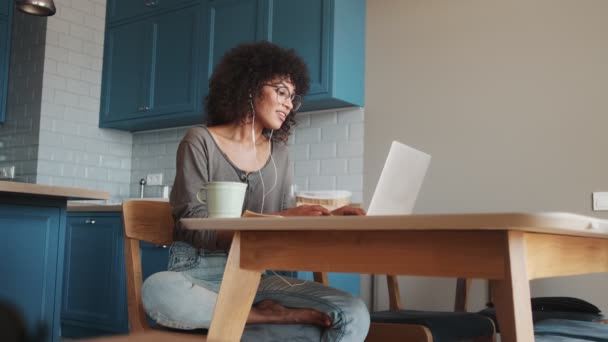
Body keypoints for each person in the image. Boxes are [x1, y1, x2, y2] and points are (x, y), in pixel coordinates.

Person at [141, 41, 370, 341]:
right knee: (158, 290)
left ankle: (245, 317)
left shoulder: (280, 153)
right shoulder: (199, 141)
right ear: (250, 86)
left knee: (354, 312)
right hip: (197, 272)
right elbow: (193, 225)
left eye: (293, 97)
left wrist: (327, 217)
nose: (289, 104)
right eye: (281, 91)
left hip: (256, 276)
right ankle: (260, 316)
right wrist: (286, 216)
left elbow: (282, 228)